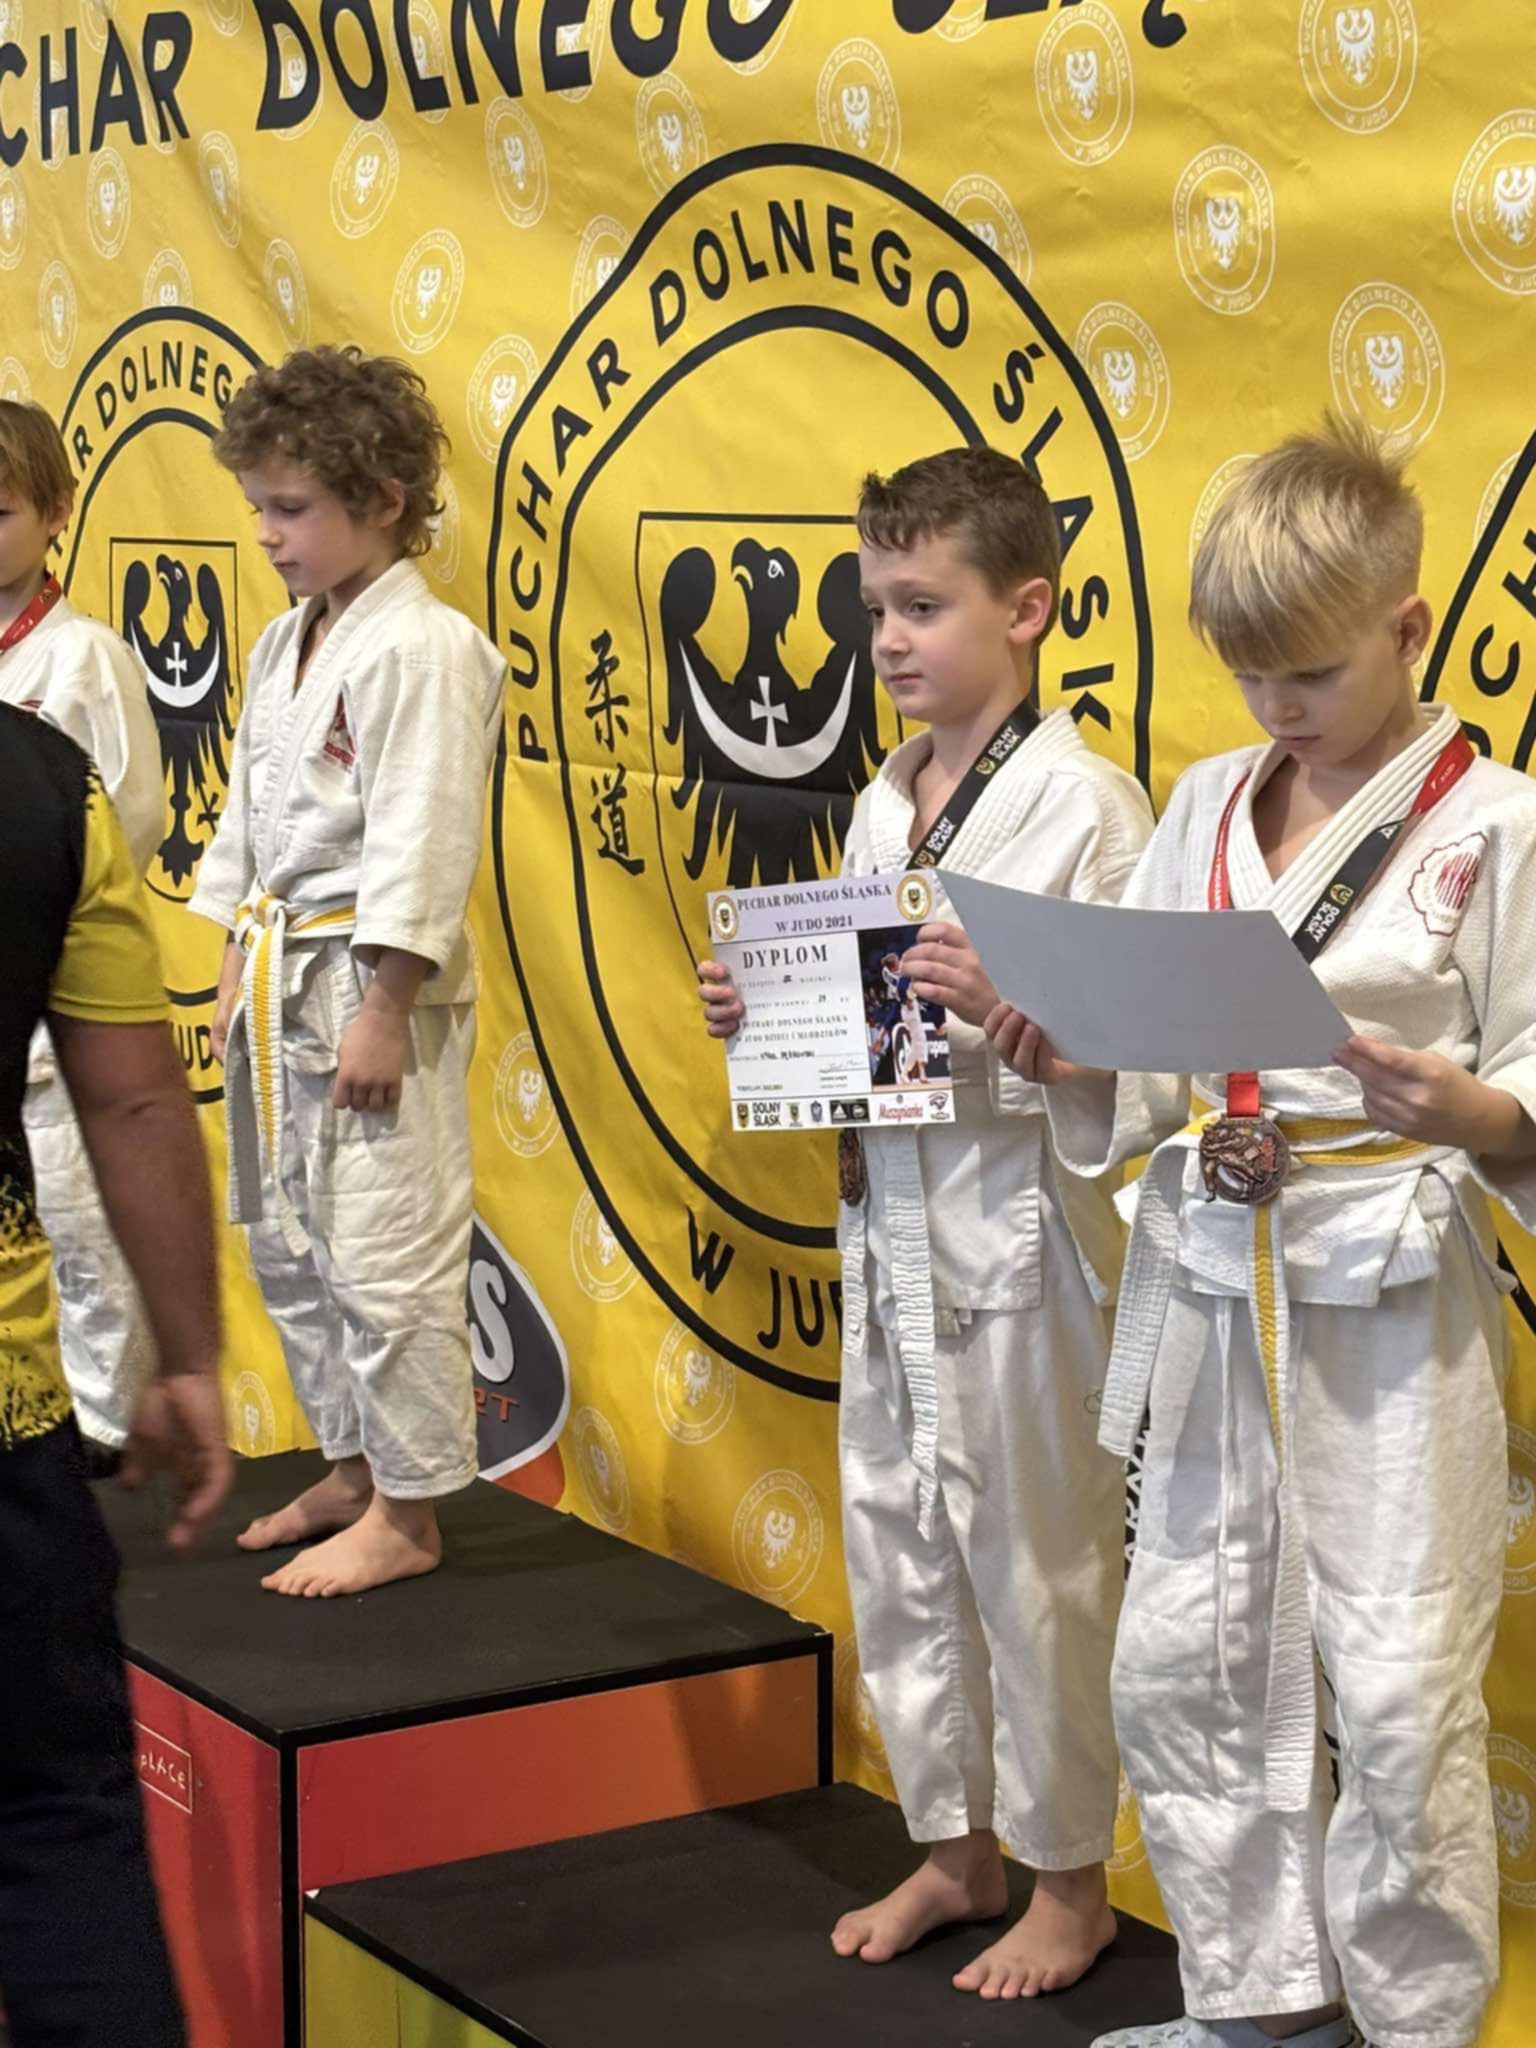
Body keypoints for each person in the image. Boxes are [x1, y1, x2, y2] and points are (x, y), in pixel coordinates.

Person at [987, 419, 1536, 2048]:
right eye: (1248, 674)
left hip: (1385, 1281)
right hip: (1219, 1267)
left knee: (1398, 1674)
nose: (1277, 706)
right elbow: (1155, 1038)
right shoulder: (1210, 798)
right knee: (1192, 1651)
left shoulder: (1499, 823)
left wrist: (1476, 1111)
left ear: (1407, 626)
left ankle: (1413, 2023)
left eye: (1311, 671)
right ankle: (1261, 2005)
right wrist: (1074, 1050)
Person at [698, 447, 1155, 1999]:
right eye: (874, 607)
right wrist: (771, 1015)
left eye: (923, 606)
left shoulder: (1086, 808)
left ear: (1026, 610)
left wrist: (1013, 1010)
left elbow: (1136, 1065)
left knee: (1033, 1562)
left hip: (1018, 1235)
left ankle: (1070, 1884)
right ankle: (956, 1849)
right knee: (899, 1543)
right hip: (890, 1225)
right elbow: (866, 1036)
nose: (888, 639)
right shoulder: (886, 804)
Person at [191, 346, 507, 1599]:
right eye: (258, 507)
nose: (268, 534)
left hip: (373, 988)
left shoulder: (422, 647)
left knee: (385, 1250)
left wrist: (386, 1003)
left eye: (291, 508)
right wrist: (231, 957)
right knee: (291, 1242)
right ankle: (353, 1465)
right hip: (284, 975)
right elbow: (244, 821)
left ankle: (410, 1510)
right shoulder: (289, 639)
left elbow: (427, 835)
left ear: (382, 499)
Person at [0, 700, 230, 2047]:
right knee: (54, 1823)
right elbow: (134, 1096)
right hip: (9, 1432)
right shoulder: (40, 781)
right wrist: (187, 1354)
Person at [0, 399, 164, 1470]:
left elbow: (129, 814)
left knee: (78, 1217)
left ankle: (102, 1425)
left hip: (58, 974)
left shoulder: (82, 658)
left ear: (57, 513)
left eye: (1, 511)